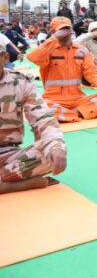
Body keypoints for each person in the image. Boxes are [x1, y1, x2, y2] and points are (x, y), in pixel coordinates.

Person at [27, 17, 97, 122]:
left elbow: (93, 75)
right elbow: (33, 57)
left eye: (67, 28)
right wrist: (54, 38)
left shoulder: (82, 50)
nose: (65, 32)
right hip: (53, 100)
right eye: (61, 29)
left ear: (71, 30)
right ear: (53, 31)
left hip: (78, 99)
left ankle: (69, 114)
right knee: (35, 106)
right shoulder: (48, 48)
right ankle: (82, 112)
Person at [0, 49, 67, 194]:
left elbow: (43, 117)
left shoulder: (21, 82)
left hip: (8, 153)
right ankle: (15, 184)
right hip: (8, 165)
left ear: (5, 57)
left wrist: (56, 146)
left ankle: (4, 183)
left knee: (49, 155)